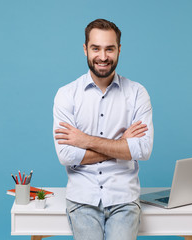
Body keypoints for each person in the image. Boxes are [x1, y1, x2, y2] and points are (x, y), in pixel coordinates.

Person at [53, 18, 154, 240]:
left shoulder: (137, 93)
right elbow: (67, 155)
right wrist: (121, 144)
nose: (103, 56)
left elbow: (143, 150)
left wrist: (85, 140)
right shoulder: (66, 95)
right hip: (83, 200)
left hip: (124, 199)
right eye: (96, 48)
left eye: (110, 49)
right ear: (85, 49)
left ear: (119, 49)